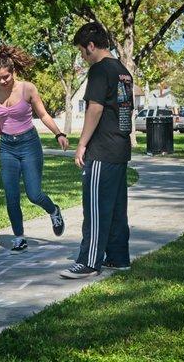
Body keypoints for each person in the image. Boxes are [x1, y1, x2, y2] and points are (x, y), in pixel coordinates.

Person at [60, 22, 133, 279]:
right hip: (120, 148)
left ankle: (89, 262)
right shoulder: (123, 71)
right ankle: (118, 257)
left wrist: (81, 144)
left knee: (95, 208)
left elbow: (95, 108)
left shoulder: (100, 70)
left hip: (102, 150)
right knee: (115, 208)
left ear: (91, 45)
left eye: (82, 51)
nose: (83, 56)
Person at [0, 45, 69, 252]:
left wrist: (58, 133)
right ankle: (19, 237)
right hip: (7, 147)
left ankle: (54, 210)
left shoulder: (27, 88)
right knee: (11, 196)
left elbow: (43, 114)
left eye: (6, 76)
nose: (3, 81)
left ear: (13, 71)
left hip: (29, 144)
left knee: (34, 194)